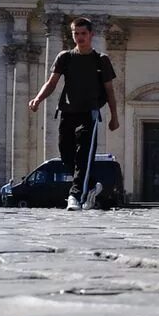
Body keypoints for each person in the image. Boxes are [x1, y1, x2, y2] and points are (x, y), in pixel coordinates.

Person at [28, 17, 119, 210]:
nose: (79, 37)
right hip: (67, 111)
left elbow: (110, 90)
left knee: (83, 154)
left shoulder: (101, 60)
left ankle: (75, 195)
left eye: (83, 33)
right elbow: (51, 83)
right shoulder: (65, 57)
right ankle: (92, 185)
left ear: (91, 34)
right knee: (65, 154)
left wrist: (114, 116)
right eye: (76, 34)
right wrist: (37, 99)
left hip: (89, 113)